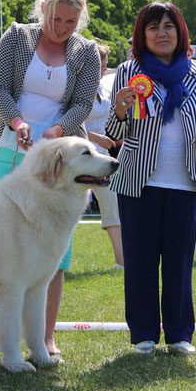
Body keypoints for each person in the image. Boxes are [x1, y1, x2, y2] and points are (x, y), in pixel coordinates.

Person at [0, 0, 101, 364]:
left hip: (60, 162)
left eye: (70, 22)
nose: (61, 28)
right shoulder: (15, 36)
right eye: (56, 18)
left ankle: (45, 339)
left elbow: (82, 102)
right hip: (7, 149)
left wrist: (59, 132)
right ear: (43, 9)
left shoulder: (87, 52)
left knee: (53, 252)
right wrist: (18, 122)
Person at [105, 1, 196, 355]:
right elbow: (113, 129)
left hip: (185, 180)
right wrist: (119, 108)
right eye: (153, 27)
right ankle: (144, 334)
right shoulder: (127, 71)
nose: (161, 33)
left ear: (180, 31)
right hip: (137, 181)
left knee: (180, 262)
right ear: (142, 34)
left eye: (168, 26)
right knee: (139, 261)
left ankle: (180, 334)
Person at [84, 44, 124, 269]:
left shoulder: (104, 90)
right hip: (80, 155)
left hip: (102, 156)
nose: (104, 69)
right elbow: (68, 124)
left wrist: (117, 137)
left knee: (112, 203)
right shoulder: (75, 88)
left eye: (106, 64)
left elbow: (110, 122)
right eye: (100, 65)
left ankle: (121, 261)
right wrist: (97, 139)